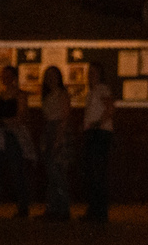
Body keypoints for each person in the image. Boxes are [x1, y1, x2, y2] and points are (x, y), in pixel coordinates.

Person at [0, 61, 33, 217]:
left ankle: (23, 206)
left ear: (14, 78)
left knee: (16, 170)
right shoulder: (1, 95)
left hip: (13, 135)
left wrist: (2, 122)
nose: (5, 78)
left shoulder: (20, 95)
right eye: (3, 76)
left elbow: (21, 117)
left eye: (8, 76)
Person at [37, 64, 75, 220]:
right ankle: (52, 208)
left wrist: (58, 138)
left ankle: (63, 209)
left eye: (53, 76)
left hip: (59, 131)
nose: (51, 79)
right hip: (49, 130)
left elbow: (65, 117)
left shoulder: (62, 94)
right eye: (48, 76)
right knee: (51, 172)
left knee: (58, 172)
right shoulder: (47, 96)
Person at [79, 71, 117, 222]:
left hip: (99, 132)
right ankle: (95, 210)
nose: (90, 76)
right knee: (93, 172)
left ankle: (99, 211)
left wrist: (98, 123)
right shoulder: (92, 92)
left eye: (94, 73)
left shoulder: (102, 89)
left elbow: (110, 108)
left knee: (97, 172)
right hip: (94, 131)